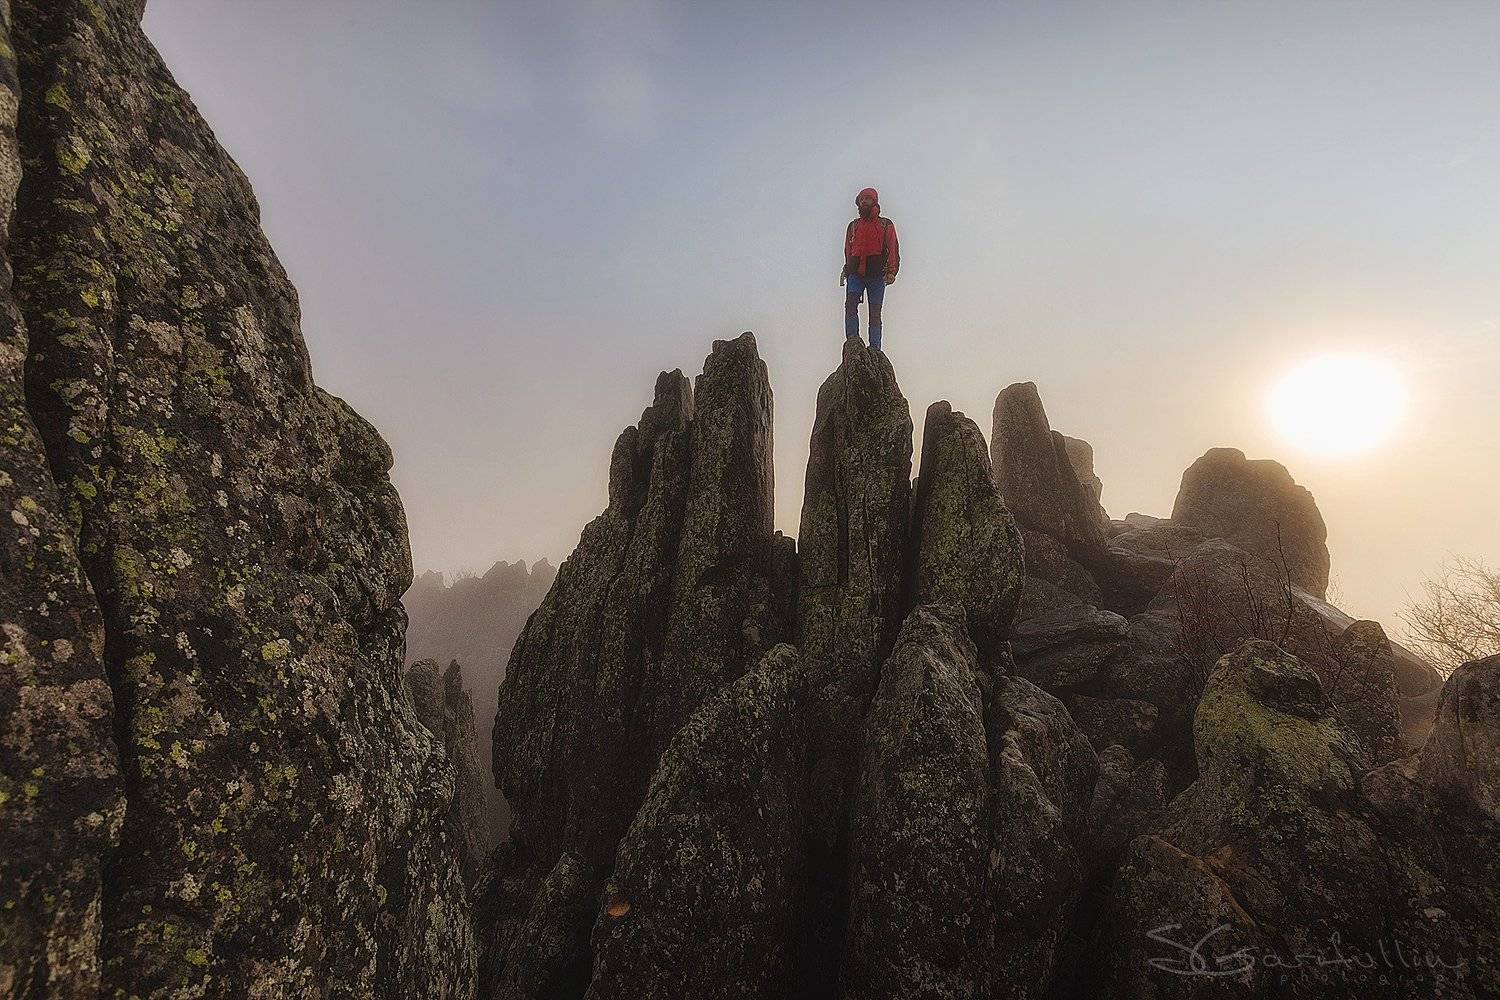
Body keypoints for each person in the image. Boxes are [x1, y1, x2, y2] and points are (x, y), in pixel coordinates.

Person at [841, 187, 900, 350]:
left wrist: (891, 271)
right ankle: (853, 341)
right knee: (850, 305)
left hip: (877, 275)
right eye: (861, 199)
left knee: (875, 312)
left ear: (874, 201)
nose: (864, 201)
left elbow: (892, 247)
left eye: (867, 198)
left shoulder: (885, 224)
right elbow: (847, 250)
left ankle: (875, 348)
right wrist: (847, 268)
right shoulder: (853, 226)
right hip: (855, 274)